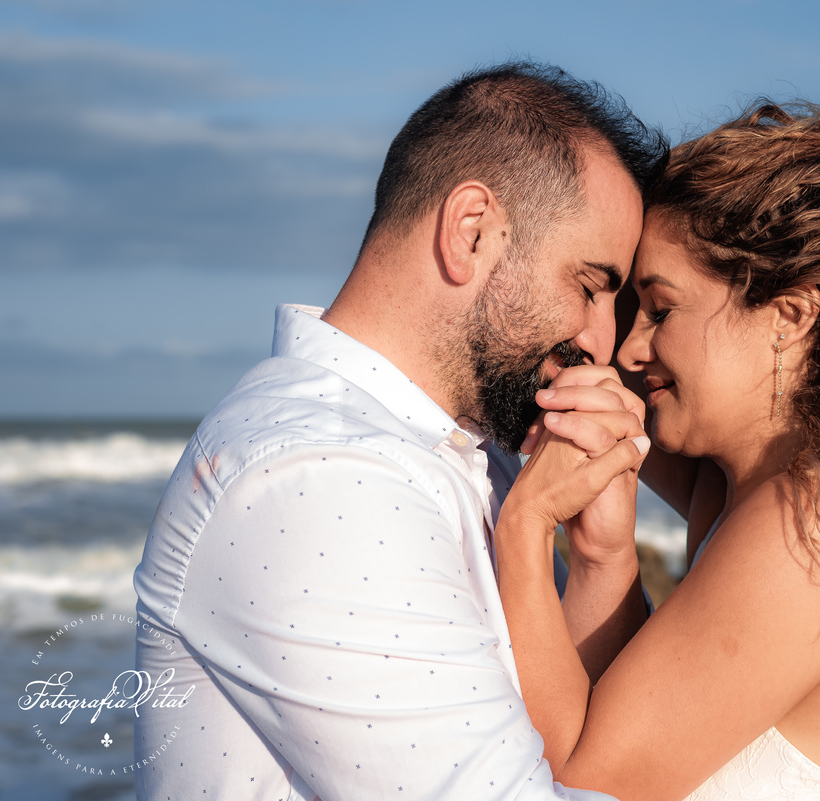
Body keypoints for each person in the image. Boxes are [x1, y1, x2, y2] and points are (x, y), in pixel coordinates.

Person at [132, 61, 666, 800]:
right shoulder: (313, 479)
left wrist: (603, 561)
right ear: (470, 231)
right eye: (589, 286)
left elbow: (591, 749)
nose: (603, 343)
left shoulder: (479, 462)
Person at [495, 102, 820, 800]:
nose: (631, 345)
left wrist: (524, 527)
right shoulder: (751, 480)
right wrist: (604, 556)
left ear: (790, 313)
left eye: (660, 309)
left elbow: (579, 782)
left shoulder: (816, 526)